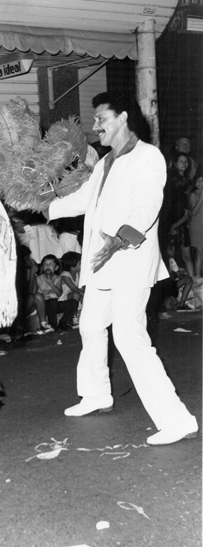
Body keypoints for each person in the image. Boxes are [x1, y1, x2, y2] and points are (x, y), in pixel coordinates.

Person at [45, 91, 198, 446]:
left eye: (101, 119)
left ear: (123, 117)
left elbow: (147, 204)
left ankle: (177, 419)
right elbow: (84, 200)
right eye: (95, 120)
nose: (95, 126)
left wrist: (120, 238)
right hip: (102, 264)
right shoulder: (104, 162)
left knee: (129, 336)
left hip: (128, 260)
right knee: (90, 325)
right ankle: (97, 394)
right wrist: (44, 208)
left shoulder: (148, 157)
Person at [163, 153, 194, 277]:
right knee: (170, 256)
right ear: (175, 164)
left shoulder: (189, 182)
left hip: (182, 222)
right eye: (181, 161)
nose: (184, 163)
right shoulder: (169, 181)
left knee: (187, 256)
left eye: (186, 161)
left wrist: (175, 225)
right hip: (170, 221)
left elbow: (188, 208)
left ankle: (194, 285)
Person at [35, 254, 78, 331]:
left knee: (73, 302)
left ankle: (64, 322)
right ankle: (52, 325)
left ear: (56, 268)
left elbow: (59, 293)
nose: (47, 266)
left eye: (50, 264)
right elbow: (36, 294)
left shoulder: (58, 278)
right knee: (51, 302)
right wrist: (43, 295)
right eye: (45, 264)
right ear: (42, 267)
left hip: (55, 305)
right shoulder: (38, 279)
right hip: (44, 307)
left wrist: (51, 283)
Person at [188, 173, 203, 277]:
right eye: (198, 181)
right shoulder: (193, 194)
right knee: (200, 253)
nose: (200, 183)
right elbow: (193, 212)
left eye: (202, 180)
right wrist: (202, 197)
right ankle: (198, 281)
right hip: (197, 227)